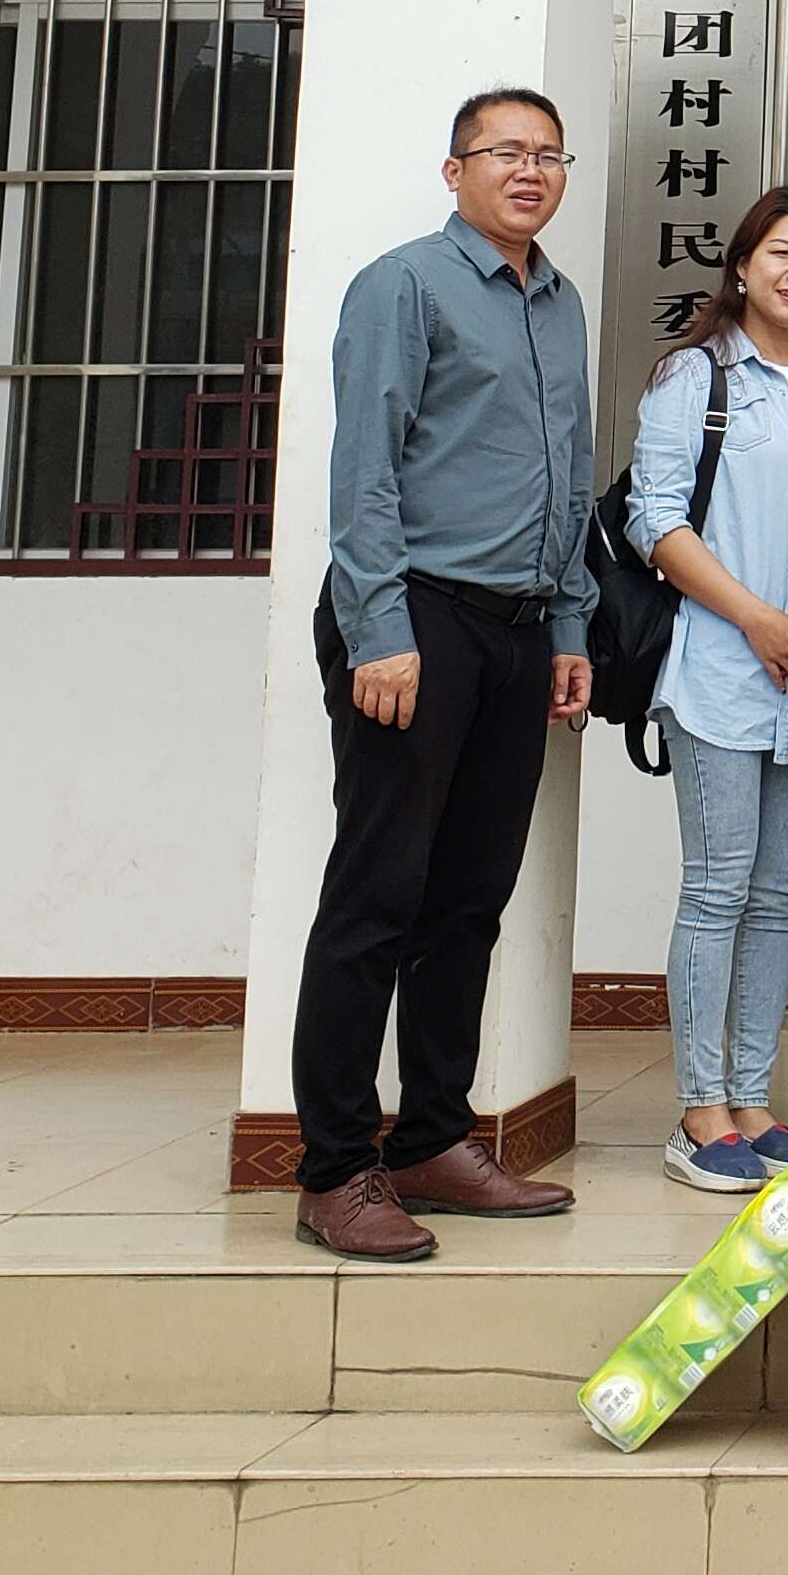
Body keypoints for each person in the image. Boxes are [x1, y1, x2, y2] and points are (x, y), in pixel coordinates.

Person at [288, 87, 598, 1262]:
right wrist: (377, 627)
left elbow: (572, 473)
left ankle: (432, 1139)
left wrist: (570, 624)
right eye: (504, 152)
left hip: (518, 629)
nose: (529, 171)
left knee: (469, 899)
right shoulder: (404, 286)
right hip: (414, 616)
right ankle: (335, 1168)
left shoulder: (560, 304)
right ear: (455, 170)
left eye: (548, 154)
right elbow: (364, 467)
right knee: (377, 895)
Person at [629, 183, 788, 1194]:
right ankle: (699, 1112)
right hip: (723, 669)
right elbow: (656, 520)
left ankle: (754, 1101)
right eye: (781, 252)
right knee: (718, 886)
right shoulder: (697, 374)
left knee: (777, 898)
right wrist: (761, 621)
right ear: (741, 264)